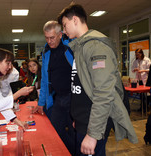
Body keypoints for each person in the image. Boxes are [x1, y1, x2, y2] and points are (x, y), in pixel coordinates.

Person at [58, 3, 138, 156]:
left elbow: (103, 93)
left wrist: (93, 134)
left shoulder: (96, 47)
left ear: (75, 20)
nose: (64, 30)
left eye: (65, 25)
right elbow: (81, 86)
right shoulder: (80, 47)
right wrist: (78, 118)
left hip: (94, 124)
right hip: (84, 120)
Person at [34, 20, 75, 155]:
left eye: (52, 37)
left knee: (76, 133)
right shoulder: (47, 52)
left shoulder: (70, 48)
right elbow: (45, 80)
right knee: (55, 131)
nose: (49, 41)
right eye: (46, 37)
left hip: (73, 98)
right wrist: (41, 103)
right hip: (58, 98)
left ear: (60, 34)